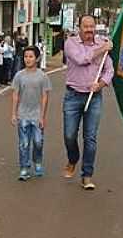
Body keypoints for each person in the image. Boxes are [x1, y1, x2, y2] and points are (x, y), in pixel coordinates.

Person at [62, 15, 113, 190]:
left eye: (92, 27)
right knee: (69, 135)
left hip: (94, 97)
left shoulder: (102, 44)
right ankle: (73, 159)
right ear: (79, 28)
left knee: (90, 138)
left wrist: (101, 84)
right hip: (73, 96)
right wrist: (102, 49)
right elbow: (81, 59)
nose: (90, 30)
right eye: (86, 27)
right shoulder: (70, 43)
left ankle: (87, 175)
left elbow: (109, 69)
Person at [10, 46, 52, 180]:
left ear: (37, 58)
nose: (27, 59)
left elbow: (45, 96)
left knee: (38, 142)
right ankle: (24, 167)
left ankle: (37, 162)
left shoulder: (43, 76)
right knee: (24, 143)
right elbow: (15, 95)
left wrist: (42, 116)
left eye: (31, 56)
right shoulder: (19, 75)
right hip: (23, 115)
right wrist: (13, 113)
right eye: (26, 56)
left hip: (37, 115)